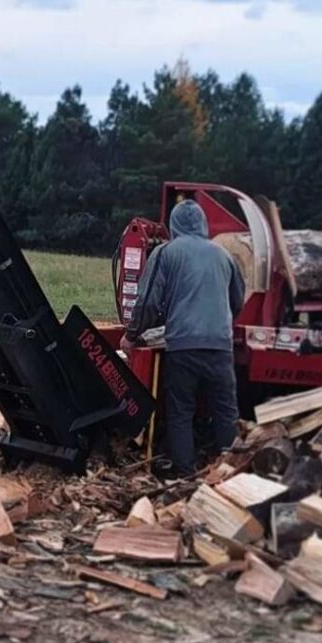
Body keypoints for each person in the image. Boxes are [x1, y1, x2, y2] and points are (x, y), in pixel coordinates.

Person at [121, 199, 245, 474]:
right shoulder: (225, 255)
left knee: (181, 410)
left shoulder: (166, 253)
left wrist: (131, 335)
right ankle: (230, 471)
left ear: (174, 225)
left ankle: (183, 470)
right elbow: (237, 301)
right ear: (203, 223)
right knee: (225, 411)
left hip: (183, 347)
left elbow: (148, 302)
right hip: (221, 348)